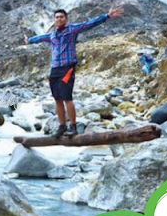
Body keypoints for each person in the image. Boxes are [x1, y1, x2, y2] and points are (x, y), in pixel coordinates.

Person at [24, 7, 125, 138]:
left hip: (67, 68)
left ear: (66, 19)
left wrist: (107, 16)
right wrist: (30, 40)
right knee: (57, 99)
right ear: (54, 20)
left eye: (61, 17)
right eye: (57, 17)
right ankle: (62, 126)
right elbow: (40, 38)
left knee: (67, 98)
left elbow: (89, 24)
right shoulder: (52, 35)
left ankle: (73, 126)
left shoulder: (72, 30)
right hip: (55, 69)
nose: (59, 19)